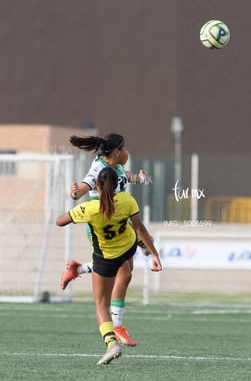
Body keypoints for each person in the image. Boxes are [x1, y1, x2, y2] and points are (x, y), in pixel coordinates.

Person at [56, 167, 162, 365]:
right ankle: (78, 270)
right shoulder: (126, 200)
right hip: (128, 248)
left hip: (106, 258)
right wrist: (153, 254)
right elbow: (140, 227)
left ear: (96, 185)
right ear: (117, 185)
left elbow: (59, 221)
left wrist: (75, 209)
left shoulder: (90, 209)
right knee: (131, 244)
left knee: (101, 304)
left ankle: (112, 343)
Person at [61, 132, 152, 347]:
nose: (129, 152)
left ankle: (79, 269)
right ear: (117, 151)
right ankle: (117, 326)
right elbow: (85, 186)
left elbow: (123, 175)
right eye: (126, 148)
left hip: (118, 226)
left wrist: (138, 179)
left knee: (126, 274)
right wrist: (76, 193)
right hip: (103, 230)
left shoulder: (114, 165)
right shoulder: (98, 169)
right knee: (122, 272)